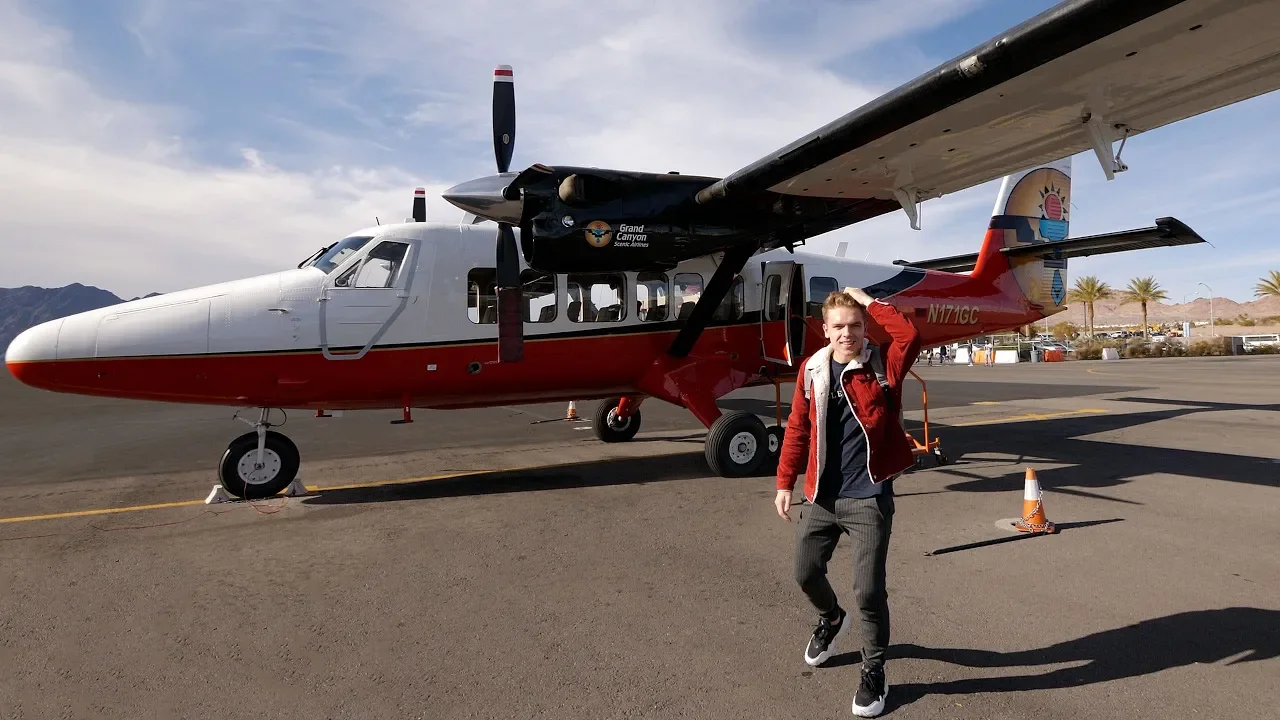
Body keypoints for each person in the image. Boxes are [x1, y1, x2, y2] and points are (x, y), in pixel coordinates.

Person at [774, 287, 921, 718]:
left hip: (868, 496)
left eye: (855, 326)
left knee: (869, 590)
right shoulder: (812, 370)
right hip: (821, 496)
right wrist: (786, 482)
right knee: (804, 572)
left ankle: (874, 669)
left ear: (864, 328)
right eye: (839, 326)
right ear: (825, 330)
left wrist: (866, 299)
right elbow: (798, 429)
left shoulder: (880, 365)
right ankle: (832, 618)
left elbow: (908, 336)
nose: (847, 334)